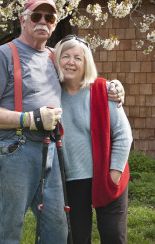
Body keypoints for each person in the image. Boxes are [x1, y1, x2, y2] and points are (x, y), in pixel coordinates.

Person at [0, 0, 124, 244]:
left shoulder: (55, 57)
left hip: (52, 153)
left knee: (58, 229)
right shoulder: (4, 55)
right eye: (36, 16)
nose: (43, 21)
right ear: (23, 19)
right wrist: (29, 119)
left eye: (49, 17)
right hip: (14, 150)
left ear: (55, 25)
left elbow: (81, 76)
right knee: (12, 228)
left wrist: (113, 87)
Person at [54, 35, 133, 244]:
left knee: (113, 235)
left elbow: (124, 134)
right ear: (57, 60)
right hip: (71, 179)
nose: (71, 62)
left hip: (107, 175)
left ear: (86, 62)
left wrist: (114, 173)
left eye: (78, 58)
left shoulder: (105, 90)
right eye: (65, 56)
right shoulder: (50, 93)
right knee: (77, 238)